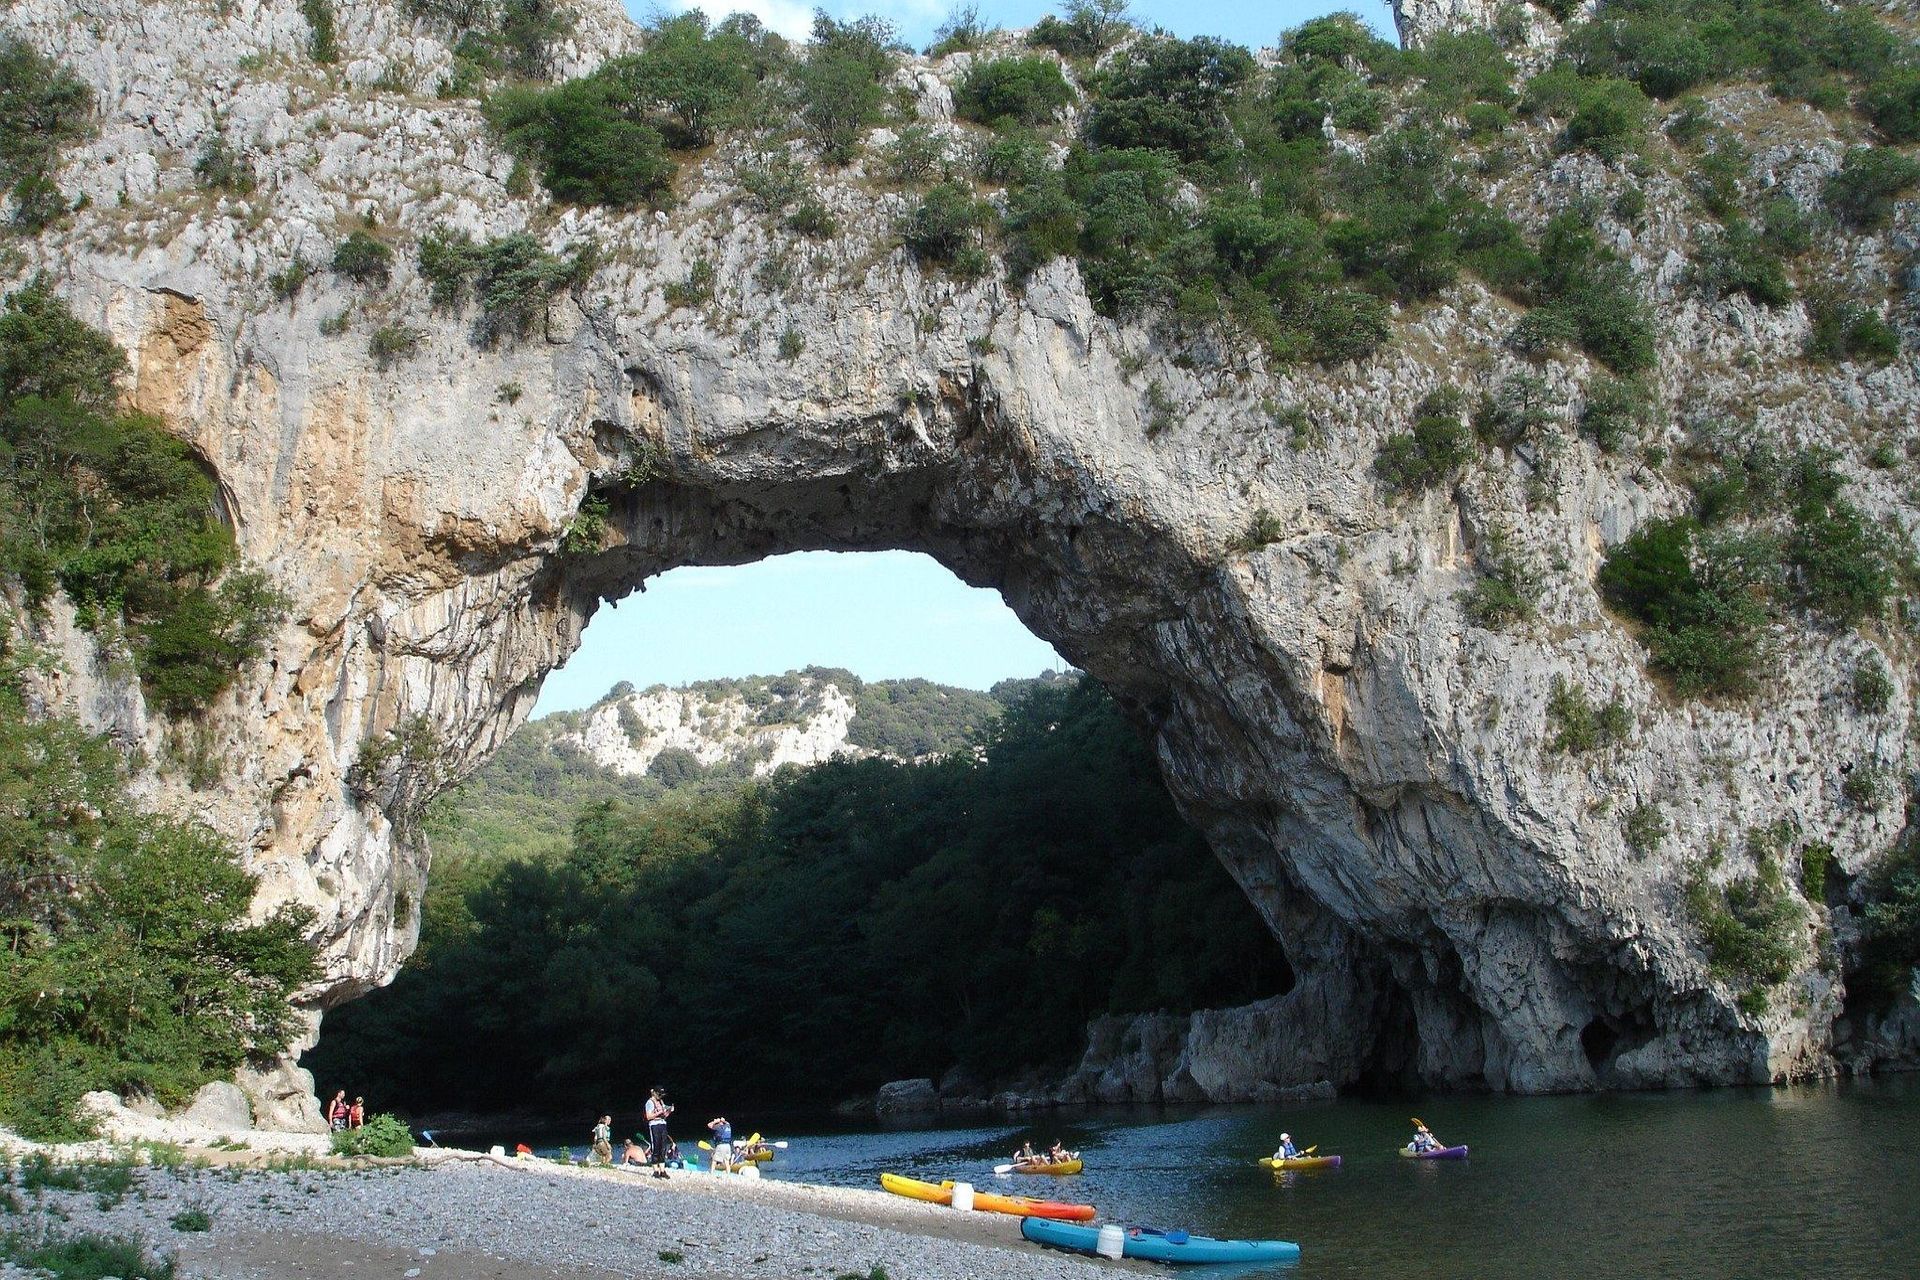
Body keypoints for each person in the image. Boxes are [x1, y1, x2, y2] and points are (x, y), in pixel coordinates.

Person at [645, 1087, 674, 1168]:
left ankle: (662, 1170)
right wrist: (659, 1112)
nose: (660, 1096)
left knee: (663, 1147)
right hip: (654, 1125)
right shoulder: (649, 1102)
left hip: (662, 1124)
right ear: (654, 1093)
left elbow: (664, 1115)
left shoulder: (661, 1101)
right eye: (659, 1094)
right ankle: (656, 1170)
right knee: (656, 1147)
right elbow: (648, 1116)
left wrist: (669, 1111)